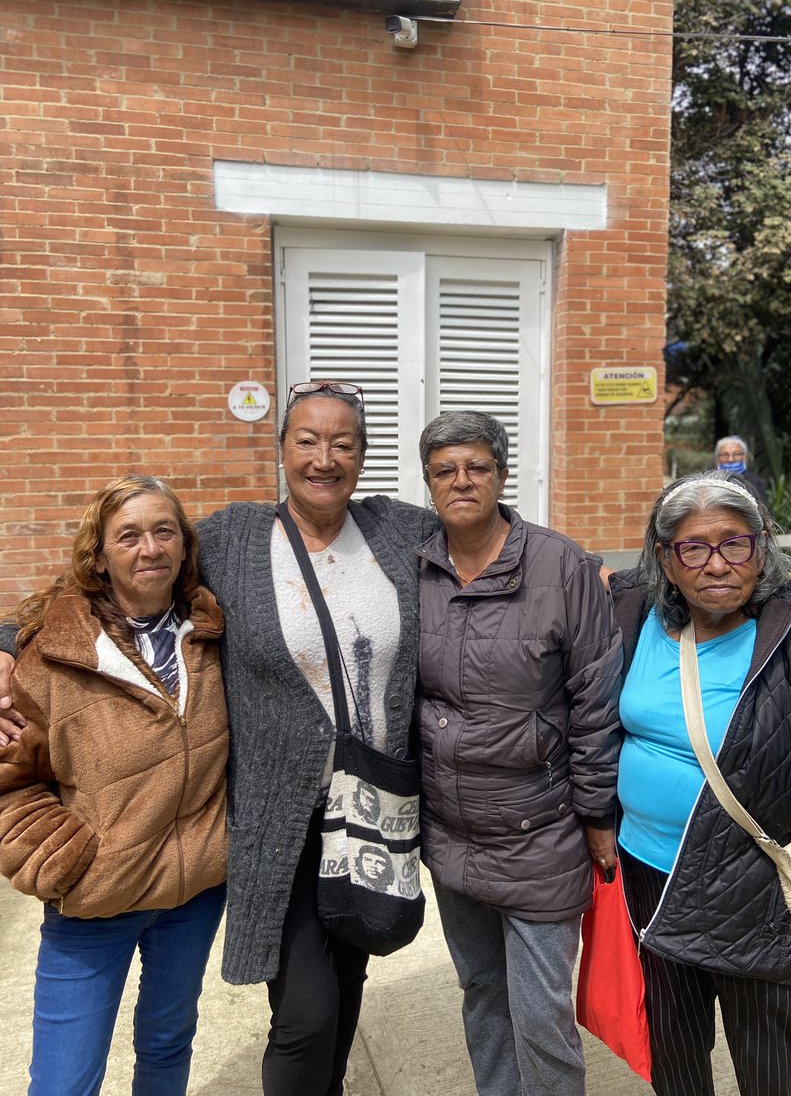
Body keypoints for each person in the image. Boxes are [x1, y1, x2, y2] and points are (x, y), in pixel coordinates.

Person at [0, 383, 435, 1096]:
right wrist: (5, 641)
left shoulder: (398, 530)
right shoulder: (233, 539)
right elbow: (119, 573)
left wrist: (606, 582)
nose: (324, 458)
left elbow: (493, 542)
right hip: (278, 819)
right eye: (307, 440)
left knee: (340, 976)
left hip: (372, 809)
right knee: (305, 1013)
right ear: (281, 449)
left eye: (344, 443)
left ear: (363, 456)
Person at [609, 470, 791, 1096]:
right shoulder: (636, 617)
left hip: (758, 894)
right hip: (648, 877)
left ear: (762, 547)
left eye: (734, 543)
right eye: (693, 546)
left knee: (768, 1069)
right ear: (665, 556)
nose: (716, 564)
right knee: (675, 1057)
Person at [415, 410, 623, 1096]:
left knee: (541, 1016)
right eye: (445, 470)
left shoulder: (559, 563)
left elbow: (596, 700)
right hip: (451, 833)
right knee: (482, 994)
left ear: (502, 475)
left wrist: (597, 814)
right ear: (429, 482)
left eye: (476, 466)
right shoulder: (416, 567)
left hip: (540, 832)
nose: (462, 480)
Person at [0, 474, 228, 1096]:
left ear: (184, 546)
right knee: (63, 1079)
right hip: (97, 899)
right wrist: (60, 858)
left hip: (195, 894)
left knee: (166, 1043)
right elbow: (11, 784)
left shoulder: (213, 635)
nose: (149, 548)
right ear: (98, 555)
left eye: (164, 531)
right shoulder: (51, 658)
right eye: (127, 536)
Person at [714, 435, 769, 504]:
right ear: (717, 458)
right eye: (725, 454)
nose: (731, 459)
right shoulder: (708, 480)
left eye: (736, 454)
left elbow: (764, 510)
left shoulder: (755, 482)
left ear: (745, 458)